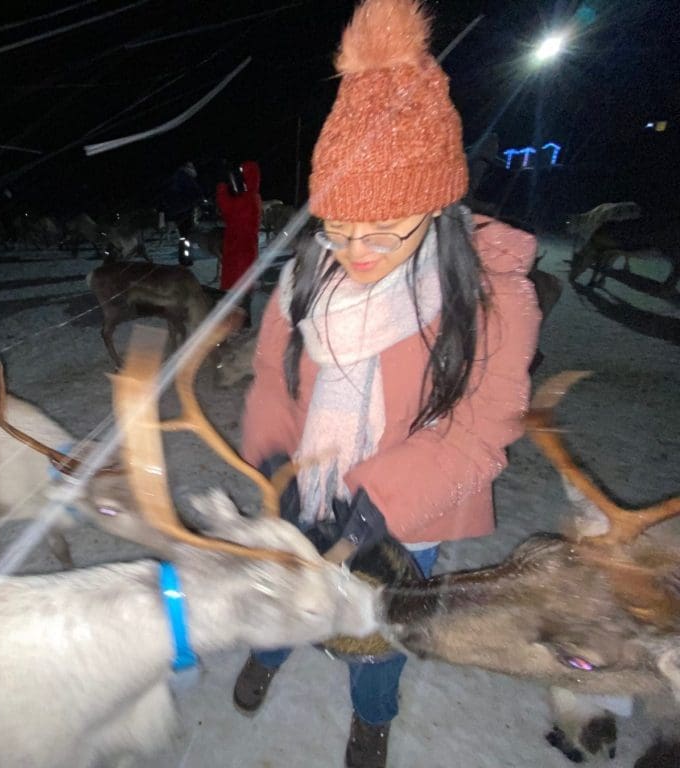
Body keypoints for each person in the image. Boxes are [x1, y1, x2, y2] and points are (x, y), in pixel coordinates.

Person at [229, 1, 541, 767]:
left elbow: (482, 430)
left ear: (437, 209)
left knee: (378, 631)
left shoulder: (495, 298)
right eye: (338, 228)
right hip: (308, 489)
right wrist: (276, 455)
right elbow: (274, 373)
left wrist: (374, 508)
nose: (355, 251)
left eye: (380, 232)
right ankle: (270, 654)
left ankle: (374, 715)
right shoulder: (308, 275)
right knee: (290, 597)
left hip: (406, 516)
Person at [216, 160, 262, 322]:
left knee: (236, 297)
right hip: (246, 254)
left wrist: (221, 189)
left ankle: (240, 332)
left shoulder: (247, 199)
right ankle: (243, 329)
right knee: (243, 296)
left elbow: (227, 209)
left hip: (238, 255)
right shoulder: (253, 197)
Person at [162, 161, 205, 265]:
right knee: (186, 236)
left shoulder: (176, 178)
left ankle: (184, 257)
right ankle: (186, 258)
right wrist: (198, 200)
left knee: (184, 236)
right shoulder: (186, 178)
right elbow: (197, 193)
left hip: (178, 212)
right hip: (185, 211)